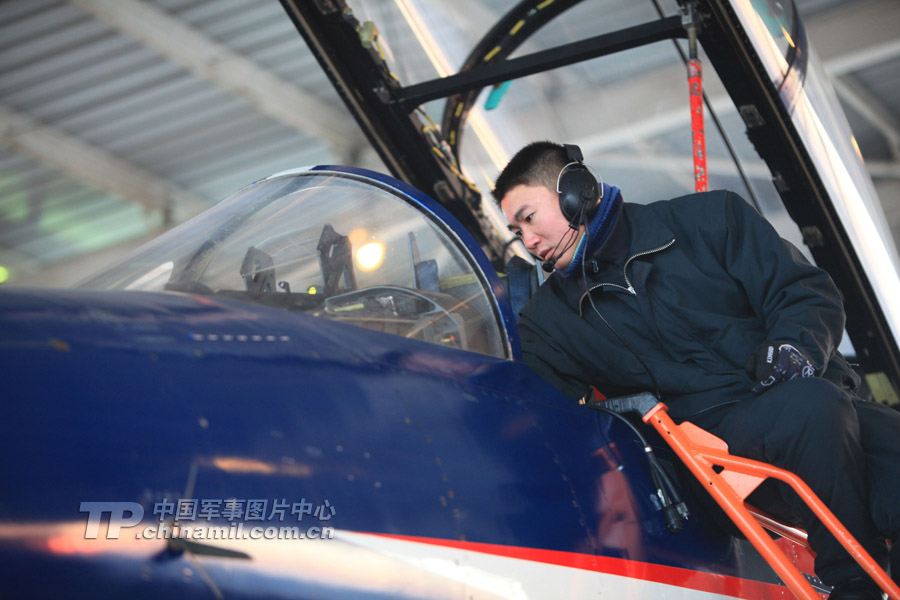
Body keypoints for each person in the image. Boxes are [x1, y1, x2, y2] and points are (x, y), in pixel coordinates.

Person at [493, 140, 900, 600]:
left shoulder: (711, 219)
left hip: (814, 412)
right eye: (515, 232)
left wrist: (795, 346)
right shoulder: (549, 322)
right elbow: (544, 411)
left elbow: (803, 292)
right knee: (812, 405)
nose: (528, 242)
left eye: (528, 218)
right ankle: (854, 585)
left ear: (576, 192)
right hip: (714, 455)